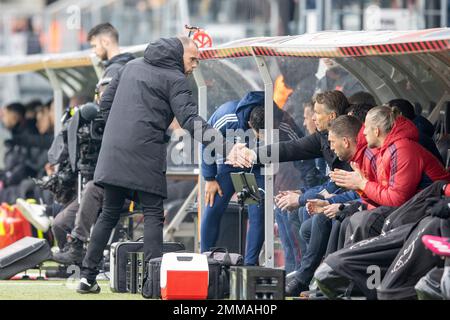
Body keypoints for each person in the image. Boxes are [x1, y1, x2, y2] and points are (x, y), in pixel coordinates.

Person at [77, 36, 237, 294]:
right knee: (153, 213)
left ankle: (86, 277)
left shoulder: (131, 66)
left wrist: (118, 132)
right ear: (177, 54)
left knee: (108, 212)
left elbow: (104, 104)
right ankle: (151, 284)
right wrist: (226, 147)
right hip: (145, 153)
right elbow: (190, 120)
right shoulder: (175, 79)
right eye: (192, 58)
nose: (195, 65)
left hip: (113, 153)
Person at [201, 91, 314, 265]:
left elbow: (303, 150)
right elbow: (207, 139)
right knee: (213, 207)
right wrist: (209, 177)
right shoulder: (227, 115)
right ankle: (204, 260)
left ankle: (250, 265)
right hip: (229, 165)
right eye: (260, 136)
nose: (263, 139)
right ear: (249, 124)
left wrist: (311, 184)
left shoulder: (283, 121)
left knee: (257, 212)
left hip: (255, 170)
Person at [330, 106, 450, 246]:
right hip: (415, 206)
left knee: (363, 222)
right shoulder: (386, 150)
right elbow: (383, 197)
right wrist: (360, 186)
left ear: (376, 131)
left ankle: (366, 267)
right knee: (356, 220)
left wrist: (362, 183)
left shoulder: (403, 149)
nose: (363, 133)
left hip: (433, 207)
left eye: (366, 127)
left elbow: (397, 200)